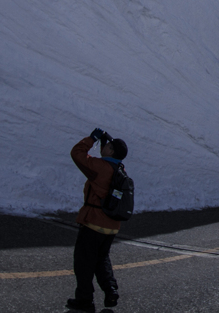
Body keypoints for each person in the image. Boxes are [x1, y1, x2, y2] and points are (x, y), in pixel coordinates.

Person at [66, 128, 128, 313]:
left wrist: (92, 138)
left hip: (93, 223)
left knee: (83, 262)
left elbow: (77, 154)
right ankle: (111, 290)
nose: (105, 147)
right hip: (111, 226)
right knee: (101, 259)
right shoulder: (120, 169)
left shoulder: (99, 168)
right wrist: (105, 143)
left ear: (111, 151)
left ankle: (84, 300)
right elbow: (108, 157)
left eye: (107, 146)